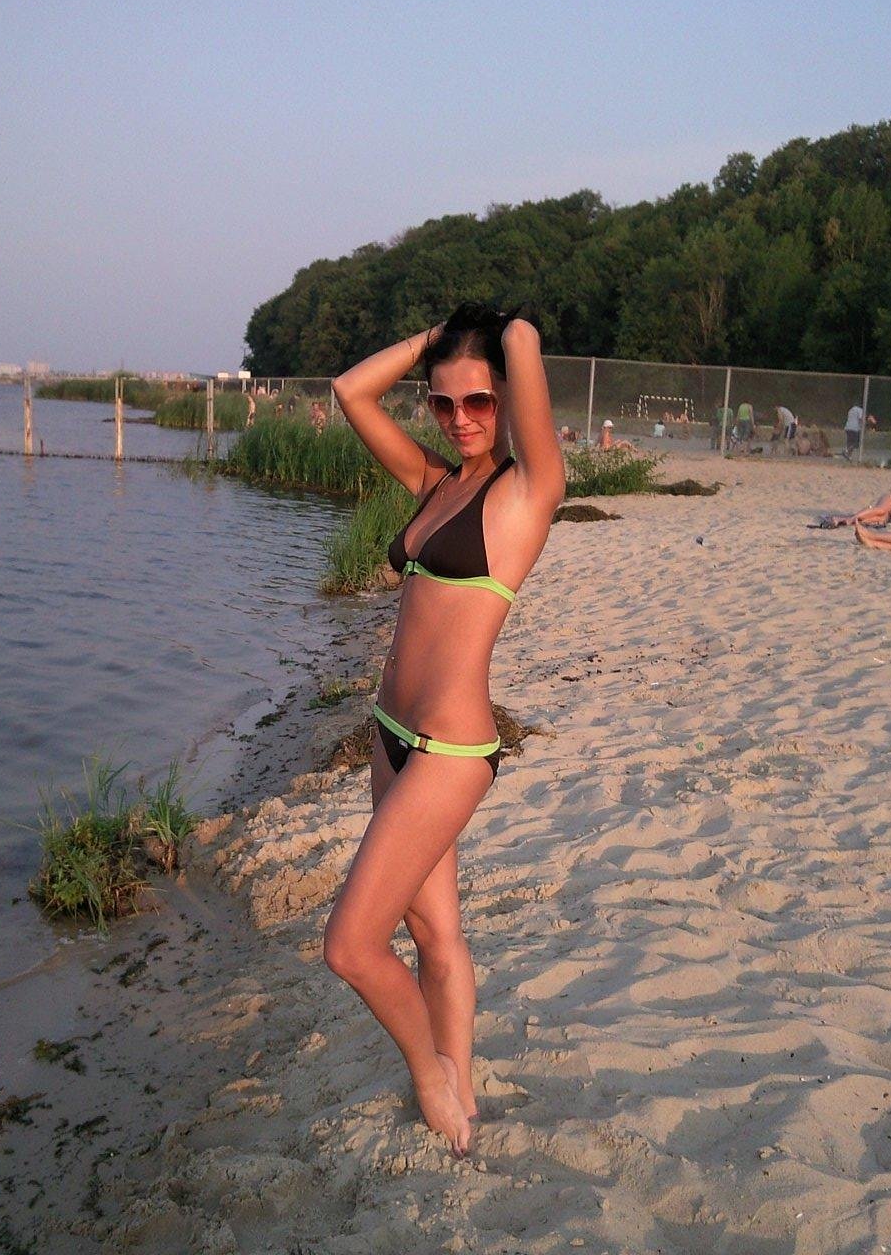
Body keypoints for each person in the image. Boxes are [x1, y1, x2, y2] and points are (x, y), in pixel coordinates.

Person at [325, 304, 565, 1160]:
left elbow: (524, 340)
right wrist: (432, 339)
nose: (461, 419)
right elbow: (350, 391)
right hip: (390, 735)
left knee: (352, 946)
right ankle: (460, 1091)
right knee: (433, 935)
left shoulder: (529, 492)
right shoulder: (436, 485)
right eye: (443, 403)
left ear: (506, 396)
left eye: (479, 401)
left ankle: (429, 1074)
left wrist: (500, 331)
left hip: (449, 752)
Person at [812, 488, 891, 530]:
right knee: (880, 510)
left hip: (889, 516)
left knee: (874, 519)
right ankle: (851, 519)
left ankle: (837, 520)